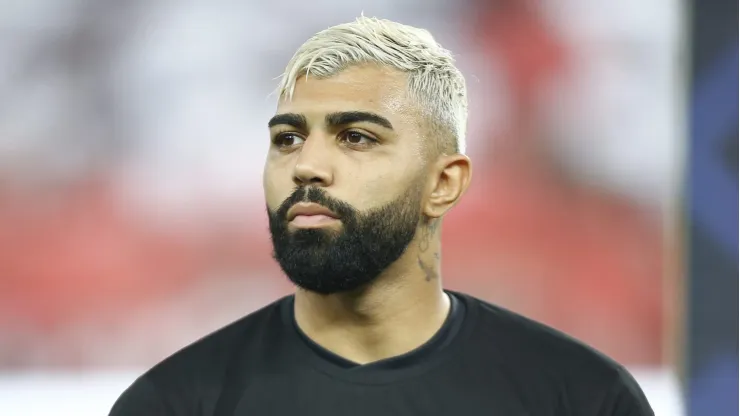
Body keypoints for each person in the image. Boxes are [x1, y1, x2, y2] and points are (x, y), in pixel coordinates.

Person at [109, 16, 654, 415]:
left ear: (444, 183)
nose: (308, 166)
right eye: (288, 138)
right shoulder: (174, 404)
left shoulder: (581, 399)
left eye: (356, 137)